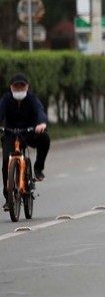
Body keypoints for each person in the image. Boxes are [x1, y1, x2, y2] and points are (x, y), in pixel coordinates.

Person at [0, 74, 50, 211]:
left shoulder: (32, 99)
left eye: (22, 86)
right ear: (11, 87)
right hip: (10, 133)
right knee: (5, 162)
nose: (19, 89)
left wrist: (41, 124)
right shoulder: (6, 99)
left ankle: (38, 168)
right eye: (16, 86)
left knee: (45, 139)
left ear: (27, 87)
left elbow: (40, 111)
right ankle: (8, 198)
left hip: (29, 133)